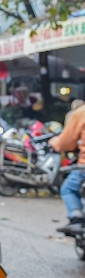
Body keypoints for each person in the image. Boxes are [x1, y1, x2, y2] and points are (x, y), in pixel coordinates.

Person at [51, 98, 85, 234]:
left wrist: (55, 143)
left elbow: (66, 143)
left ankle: (76, 219)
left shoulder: (81, 113)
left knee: (68, 189)